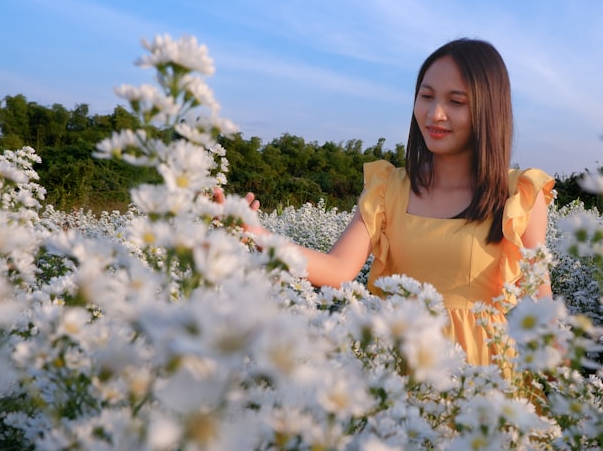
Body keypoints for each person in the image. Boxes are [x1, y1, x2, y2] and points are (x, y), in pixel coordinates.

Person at [237, 38, 554, 378]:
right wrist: (259, 236)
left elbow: (542, 311)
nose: (435, 114)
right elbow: (337, 269)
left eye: (455, 101)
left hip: (483, 380)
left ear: (488, 110)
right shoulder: (388, 188)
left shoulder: (518, 194)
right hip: (397, 372)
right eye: (426, 96)